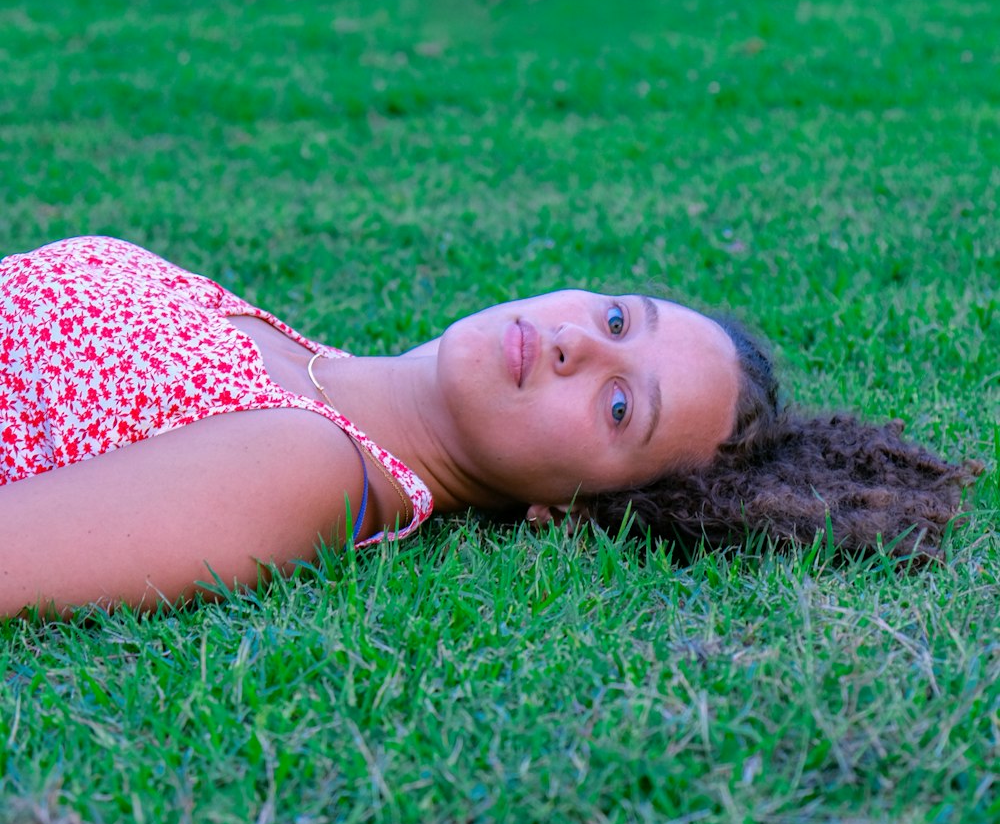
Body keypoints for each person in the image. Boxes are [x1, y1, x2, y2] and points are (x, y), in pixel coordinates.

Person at [0, 236, 980, 617]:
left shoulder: (302, 463)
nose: (574, 347)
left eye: (616, 406)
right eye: (613, 318)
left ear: (562, 510)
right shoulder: (289, 352)